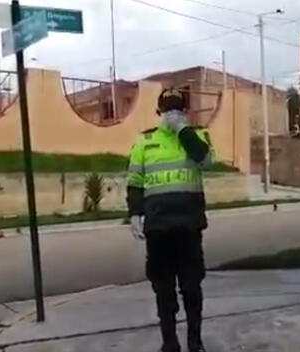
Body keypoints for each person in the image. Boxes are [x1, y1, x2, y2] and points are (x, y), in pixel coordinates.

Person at [126, 88, 213, 352]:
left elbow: (205, 160)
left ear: (185, 112)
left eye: (177, 109)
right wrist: (134, 213)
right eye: (167, 110)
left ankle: (195, 342)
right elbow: (135, 181)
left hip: (188, 226)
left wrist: (182, 130)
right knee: (163, 288)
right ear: (158, 113)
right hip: (158, 227)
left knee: (191, 287)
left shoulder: (196, 136)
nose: (171, 114)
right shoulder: (144, 142)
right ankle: (170, 342)